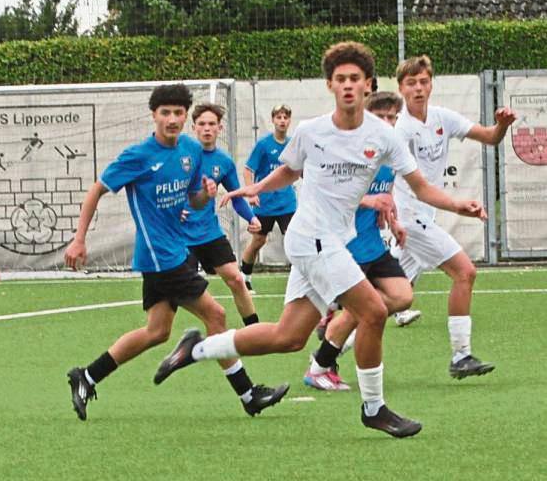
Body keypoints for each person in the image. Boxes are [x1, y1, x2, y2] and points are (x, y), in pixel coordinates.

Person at [153, 42, 488, 438]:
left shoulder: (384, 136)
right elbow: (289, 172)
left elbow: (420, 187)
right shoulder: (311, 131)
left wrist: (457, 204)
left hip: (331, 239)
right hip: (312, 238)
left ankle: (196, 349)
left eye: (355, 79)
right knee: (375, 312)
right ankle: (374, 407)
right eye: (341, 79)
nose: (348, 86)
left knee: (288, 337)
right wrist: (253, 188)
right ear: (330, 84)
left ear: (368, 85)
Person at [63, 83, 288, 422]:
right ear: (153, 115)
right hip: (161, 257)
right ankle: (247, 393)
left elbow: (194, 199)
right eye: (165, 113)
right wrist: (79, 239)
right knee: (216, 317)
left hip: (171, 251)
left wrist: (206, 193)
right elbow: (96, 190)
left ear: (186, 116)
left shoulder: (190, 150)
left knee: (156, 332)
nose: (172, 119)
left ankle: (87, 375)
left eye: (178, 113)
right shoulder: (138, 157)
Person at [391, 55, 517, 378]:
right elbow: (419, 189)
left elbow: (489, 137)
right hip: (409, 218)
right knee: (465, 272)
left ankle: (326, 353)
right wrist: (458, 205)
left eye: (423, 81)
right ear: (401, 88)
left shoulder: (442, 118)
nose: (418, 88)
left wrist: (502, 125)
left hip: (422, 218)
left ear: (431, 83)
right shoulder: (401, 131)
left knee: (387, 300)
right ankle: (461, 356)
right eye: (411, 83)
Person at [304, 91, 415, 390]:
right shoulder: (350, 152)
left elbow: (386, 193)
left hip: (373, 243)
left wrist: (394, 220)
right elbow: (332, 197)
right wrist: (370, 202)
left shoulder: (390, 154)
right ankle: (319, 367)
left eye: (393, 117)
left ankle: (332, 336)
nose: (388, 122)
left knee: (402, 295)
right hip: (347, 244)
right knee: (360, 310)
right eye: (382, 117)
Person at [184, 103, 262, 326]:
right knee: (181, 292)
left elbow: (236, 197)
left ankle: (254, 329)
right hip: (180, 237)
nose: (206, 128)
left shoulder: (224, 162)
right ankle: (208, 322)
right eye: (202, 124)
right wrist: (174, 210)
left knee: (237, 278)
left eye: (211, 124)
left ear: (219, 129)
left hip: (209, 233)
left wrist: (252, 218)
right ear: (193, 127)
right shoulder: (181, 157)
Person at [240, 104, 297, 293]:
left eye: (285, 117)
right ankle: (245, 277)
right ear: (273, 120)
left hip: (287, 203)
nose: (282, 120)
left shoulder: (293, 144)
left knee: (294, 239)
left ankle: (298, 278)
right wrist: (252, 192)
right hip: (264, 204)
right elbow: (248, 170)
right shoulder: (263, 145)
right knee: (258, 241)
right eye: (279, 117)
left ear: (289, 121)